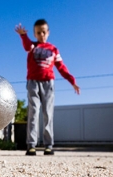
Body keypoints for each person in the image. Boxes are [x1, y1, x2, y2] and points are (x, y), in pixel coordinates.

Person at [15, 19, 80, 156]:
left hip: (48, 83)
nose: (41, 35)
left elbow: (61, 68)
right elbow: (26, 47)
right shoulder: (32, 46)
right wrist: (23, 36)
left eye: (44, 32)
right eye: (38, 32)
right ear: (35, 34)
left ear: (48, 32)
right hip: (33, 82)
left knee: (47, 114)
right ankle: (31, 145)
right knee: (33, 113)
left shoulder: (53, 50)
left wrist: (72, 81)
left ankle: (48, 145)